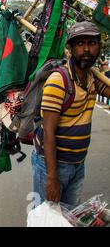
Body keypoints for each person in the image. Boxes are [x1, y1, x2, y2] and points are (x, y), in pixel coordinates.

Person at [32, 21, 110, 208]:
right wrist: (52, 177)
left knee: (69, 216)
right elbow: (48, 131)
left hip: (77, 164)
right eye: (80, 44)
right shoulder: (59, 80)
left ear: (99, 47)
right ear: (70, 48)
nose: (86, 50)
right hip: (52, 165)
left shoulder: (92, 78)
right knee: (47, 216)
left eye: (91, 43)